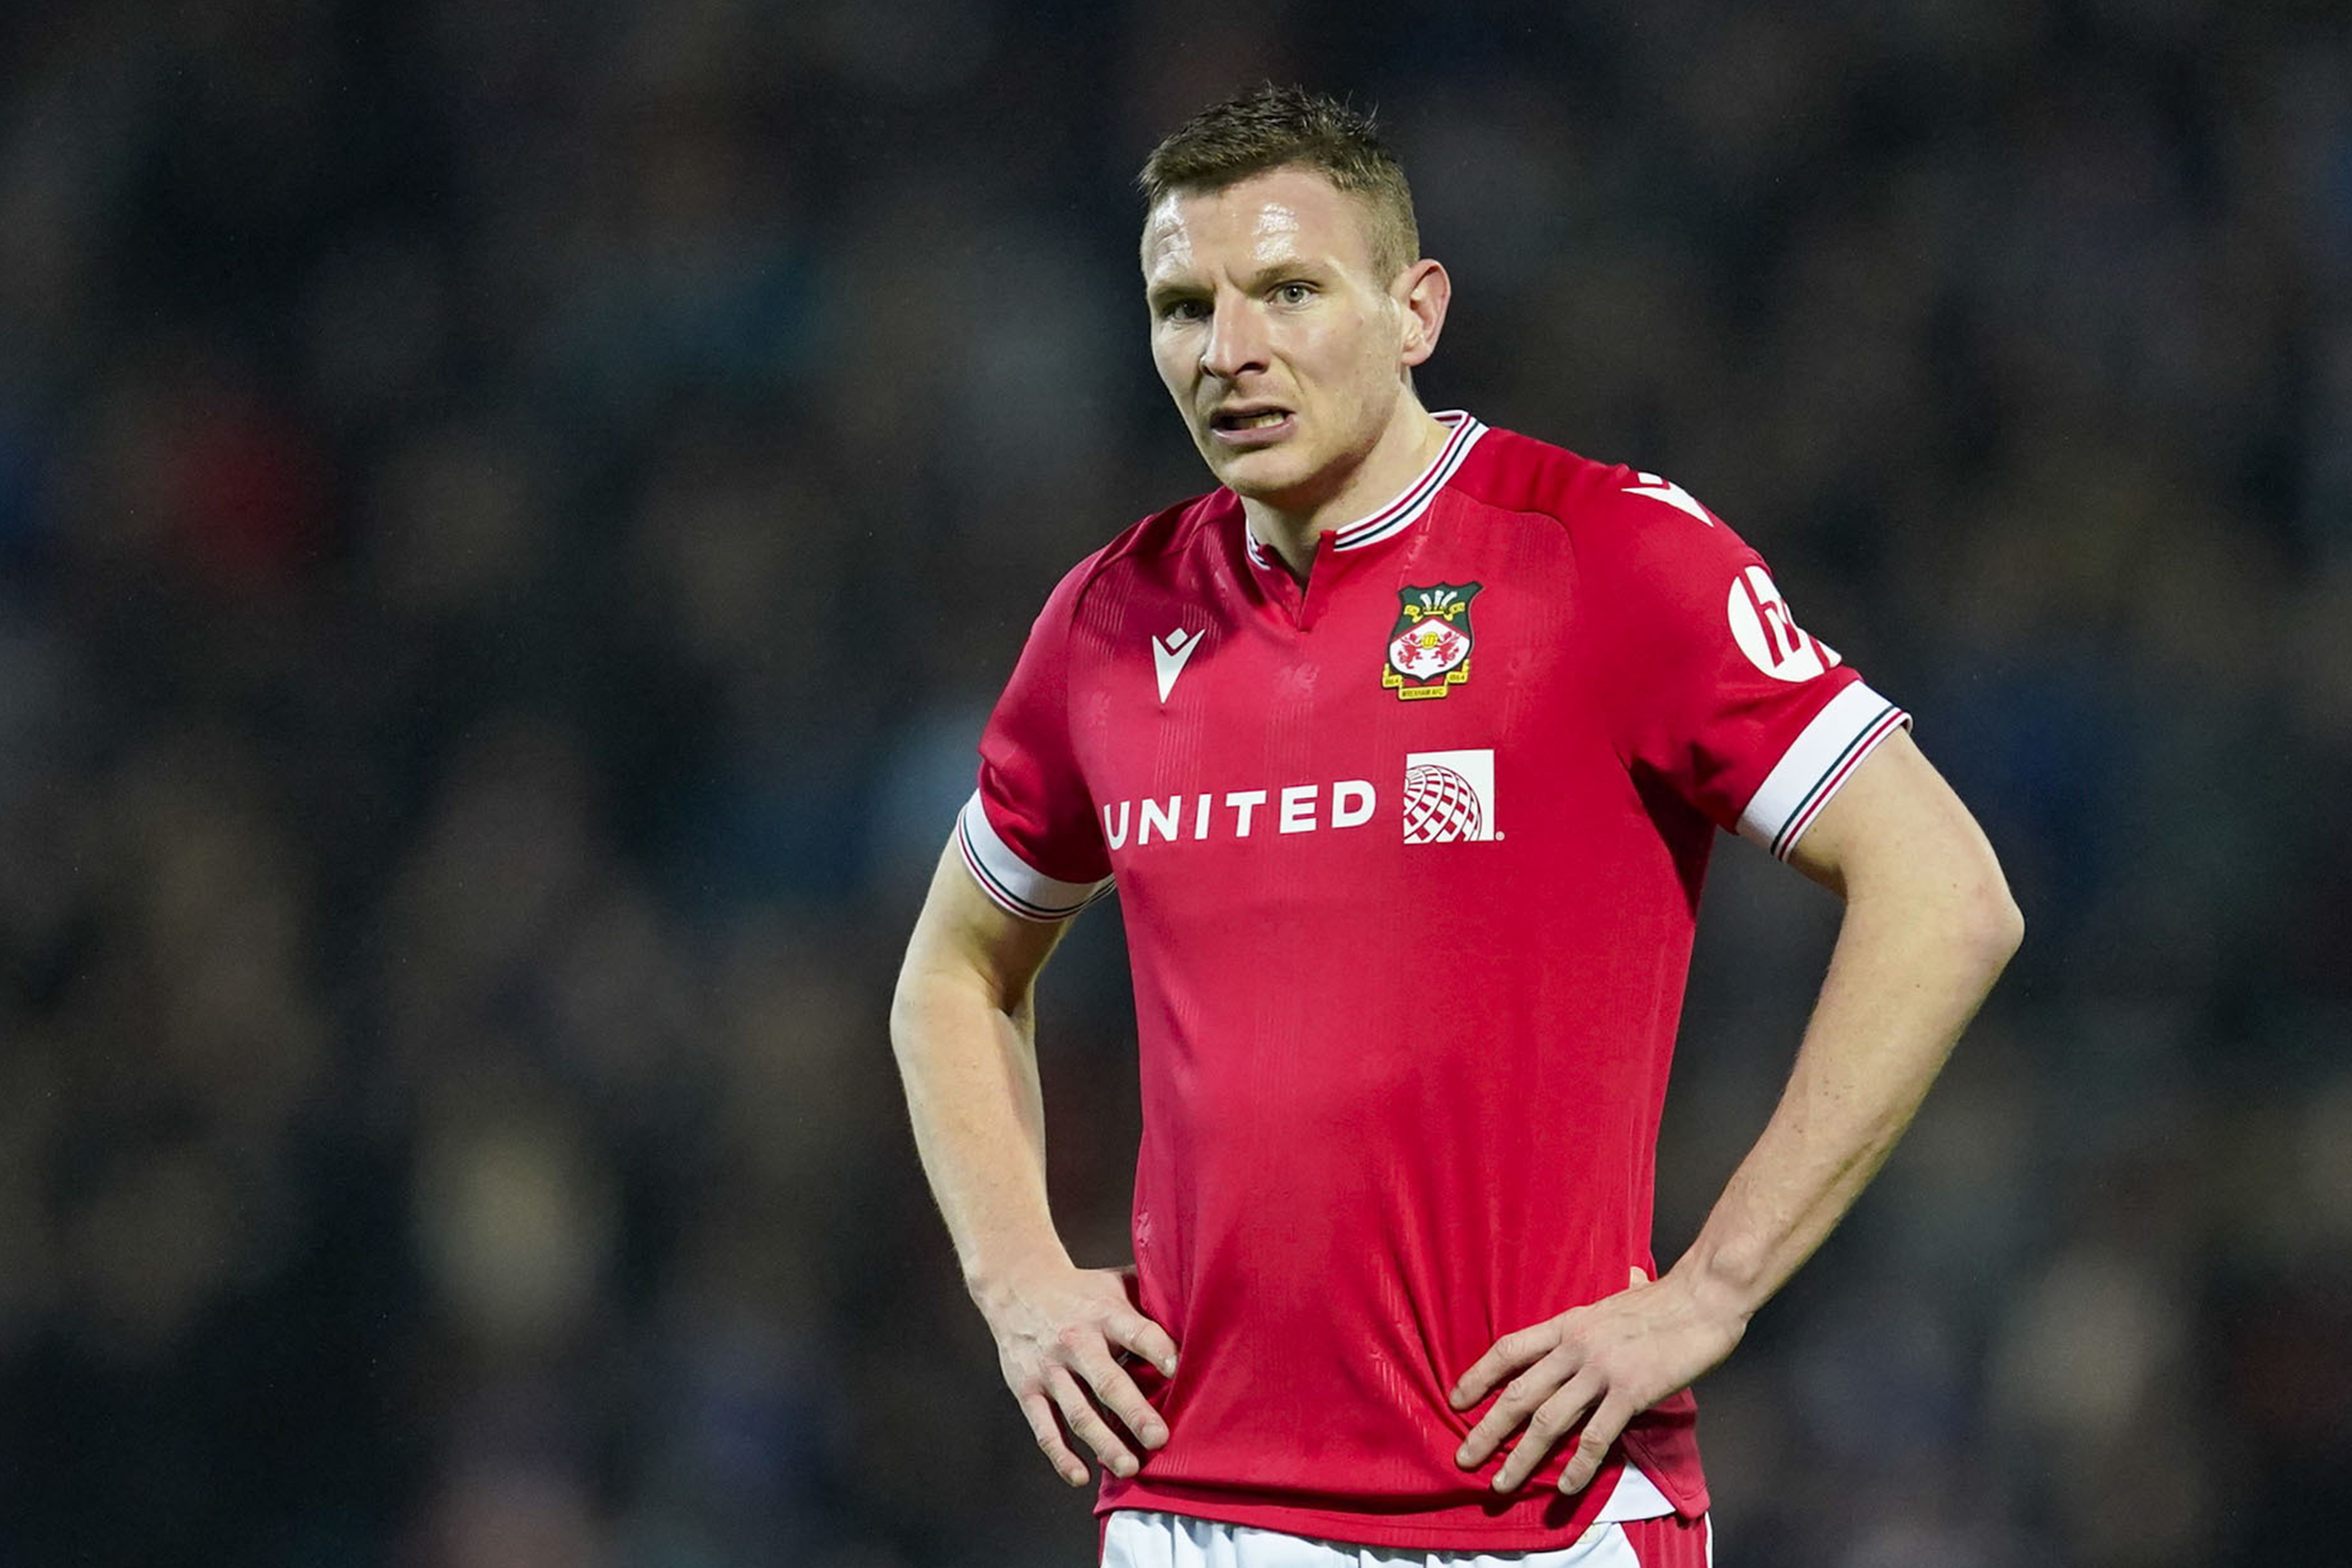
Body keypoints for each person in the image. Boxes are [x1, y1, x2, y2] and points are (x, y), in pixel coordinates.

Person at [890, 85, 2020, 1568]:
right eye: (1185, 306)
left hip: (1534, 1507)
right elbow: (953, 973)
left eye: (1289, 291)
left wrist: (1711, 1290)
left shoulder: (1601, 554)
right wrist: (1019, 1279)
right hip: (1188, 1506)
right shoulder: (1112, 621)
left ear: (1415, 309)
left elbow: (1946, 892)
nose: (1231, 351)